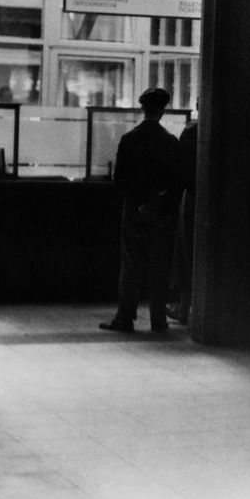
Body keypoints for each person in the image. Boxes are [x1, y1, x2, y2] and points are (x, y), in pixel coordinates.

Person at [100, 87, 180, 335]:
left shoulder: (130, 139)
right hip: (161, 213)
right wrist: (159, 203)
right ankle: (158, 320)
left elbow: (119, 180)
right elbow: (176, 182)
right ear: (163, 110)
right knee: (160, 264)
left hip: (134, 211)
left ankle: (125, 318)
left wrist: (137, 203)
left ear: (142, 109)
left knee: (131, 264)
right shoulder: (170, 141)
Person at [167, 116, 199, 325]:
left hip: (192, 198)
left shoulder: (191, 131)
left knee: (186, 254)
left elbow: (180, 169)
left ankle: (183, 306)